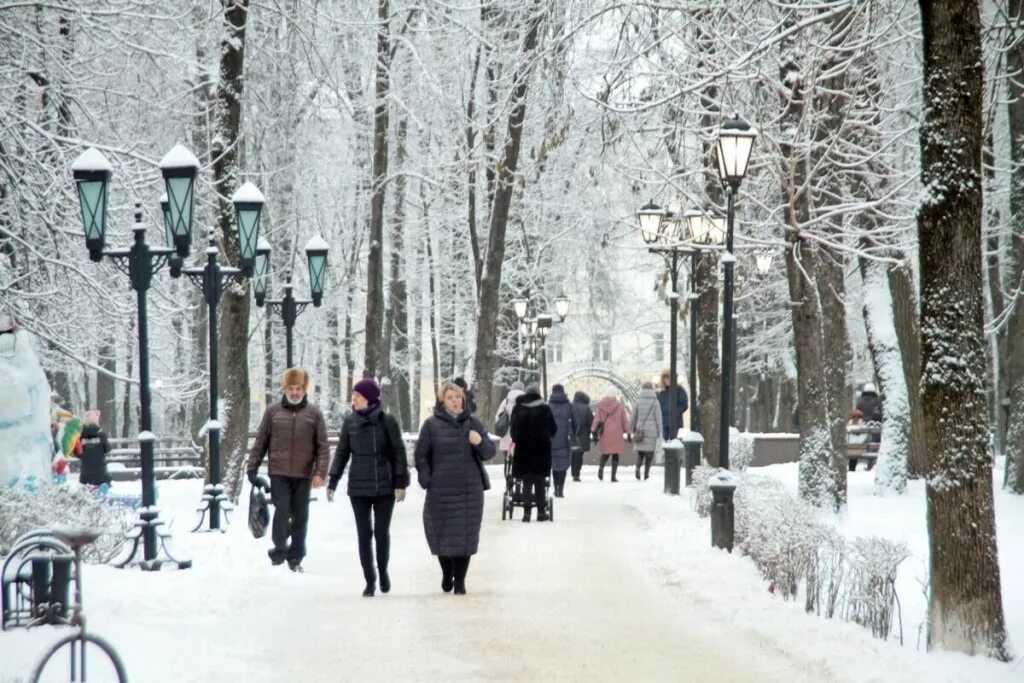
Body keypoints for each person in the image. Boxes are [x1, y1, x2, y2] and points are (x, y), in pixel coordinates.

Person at [327, 378, 408, 597]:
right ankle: (369, 578)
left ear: (370, 398)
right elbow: (342, 452)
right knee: (364, 534)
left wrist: (400, 482)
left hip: (384, 485)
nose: (354, 399)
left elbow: (399, 451)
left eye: (358, 395)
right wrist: (332, 480)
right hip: (359, 486)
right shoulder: (350, 422)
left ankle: (383, 571)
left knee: (381, 532)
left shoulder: (387, 421)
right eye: (353, 395)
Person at [415, 380, 496, 594]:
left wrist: (479, 441)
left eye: (458, 397)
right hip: (440, 490)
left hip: (469, 490)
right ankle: (446, 572)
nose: (454, 402)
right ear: (442, 401)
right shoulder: (431, 425)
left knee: (465, 535)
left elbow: (489, 452)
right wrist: (426, 478)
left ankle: (460, 580)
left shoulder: (473, 423)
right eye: (450, 398)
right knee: (441, 533)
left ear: (463, 399)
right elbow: (421, 455)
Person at [246, 367, 330, 572]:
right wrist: (252, 466)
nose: (295, 392)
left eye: (299, 388)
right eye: (291, 387)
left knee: (301, 516)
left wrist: (320, 473)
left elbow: (323, 447)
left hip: (303, 474)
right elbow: (261, 441)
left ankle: (295, 557)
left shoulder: (314, 414)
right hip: (279, 473)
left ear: (304, 389)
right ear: (284, 388)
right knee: (282, 511)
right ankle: (280, 549)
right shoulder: (273, 412)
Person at [510, 382, 557, 520]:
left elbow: (513, 431)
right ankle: (541, 512)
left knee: (526, 481)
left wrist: (520, 438)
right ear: (538, 393)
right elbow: (553, 430)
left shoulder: (518, 409)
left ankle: (526, 513)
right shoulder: (545, 409)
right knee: (540, 481)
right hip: (541, 450)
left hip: (523, 450)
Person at [591, 386, 630, 482]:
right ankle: (613, 476)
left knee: (606, 453)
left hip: (605, 433)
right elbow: (624, 421)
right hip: (617, 433)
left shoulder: (600, 406)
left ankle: (601, 468)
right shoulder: (620, 406)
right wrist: (628, 432)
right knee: (615, 454)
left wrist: (593, 429)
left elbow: (597, 419)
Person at [547, 384, 575, 497]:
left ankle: (556, 487)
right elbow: (574, 421)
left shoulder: (548, 406)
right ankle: (561, 489)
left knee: (554, 464)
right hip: (565, 439)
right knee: (562, 464)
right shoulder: (568, 406)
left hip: (551, 438)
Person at [631, 382, 663, 480]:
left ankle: (637, 467)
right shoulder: (655, 402)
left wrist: (631, 428)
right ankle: (646, 474)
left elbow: (633, 416)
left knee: (640, 453)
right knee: (649, 455)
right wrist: (660, 432)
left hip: (640, 431)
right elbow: (659, 419)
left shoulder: (638, 401)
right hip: (652, 431)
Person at [77, 410, 111, 487]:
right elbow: (107, 449)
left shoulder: (81, 436)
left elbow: (77, 453)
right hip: (101, 473)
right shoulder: (101, 434)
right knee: (102, 495)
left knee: (86, 494)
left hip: (85, 473)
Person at [495, 380, 525, 460]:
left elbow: (498, 416)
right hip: (521, 433)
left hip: (507, 432)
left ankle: (508, 460)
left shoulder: (506, 401)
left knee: (506, 449)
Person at [656, 369, 688, 441]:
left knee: (675, 443)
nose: (666, 380)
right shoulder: (662, 393)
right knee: (664, 443)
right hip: (664, 422)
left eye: (667, 377)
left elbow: (684, 405)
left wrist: (675, 413)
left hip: (675, 422)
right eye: (664, 378)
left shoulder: (680, 390)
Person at [570, 391, 593, 482]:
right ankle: (576, 473)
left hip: (573, 434)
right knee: (579, 455)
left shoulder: (570, 407)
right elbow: (590, 422)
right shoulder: (587, 408)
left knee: (574, 454)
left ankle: (573, 472)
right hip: (583, 434)